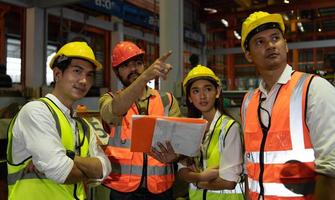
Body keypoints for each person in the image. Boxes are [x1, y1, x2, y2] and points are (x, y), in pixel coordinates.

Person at [240, 11, 335, 199]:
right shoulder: (248, 102)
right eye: (260, 41)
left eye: (275, 38)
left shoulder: (314, 89)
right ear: (249, 55)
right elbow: (250, 165)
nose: (270, 45)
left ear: (286, 45)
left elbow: (331, 168)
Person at [6, 41, 111, 199]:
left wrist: (69, 157)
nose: (84, 81)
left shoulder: (84, 126)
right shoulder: (36, 112)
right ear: (57, 74)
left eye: (89, 75)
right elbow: (62, 173)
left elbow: (104, 168)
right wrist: (89, 170)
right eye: (77, 71)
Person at [99, 41, 182, 200]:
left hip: (161, 188)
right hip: (123, 191)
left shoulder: (167, 101)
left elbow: (180, 143)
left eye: (138, 63)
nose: (133, 69)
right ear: (117, 72)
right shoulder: (109, 100)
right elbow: (113, 112)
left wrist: (176, 155)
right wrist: (145, 77)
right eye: (126, 65)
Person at [163, 64, 245, 199]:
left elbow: (229, 182)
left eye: (207, 89)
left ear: (217, 92)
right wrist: (202, 176)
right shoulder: (190, 129)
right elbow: (182, 172)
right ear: (189, 97)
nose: (202, 96)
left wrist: (197, 181)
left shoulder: (230, 128)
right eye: (195, 91)